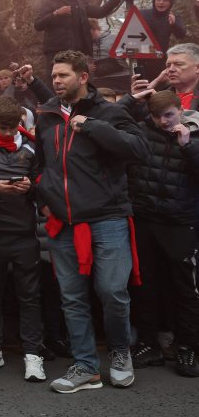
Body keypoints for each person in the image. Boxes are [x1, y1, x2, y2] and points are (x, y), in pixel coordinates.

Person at [35, 50, 148, 394]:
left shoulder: (110, 112)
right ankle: (86, 366)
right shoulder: (47, 116)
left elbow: (139, 149)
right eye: (54, 75)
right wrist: (43, 201)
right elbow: (40, 164)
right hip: (64, 222)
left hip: (107, 218)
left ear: (83, 77)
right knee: (72, 298)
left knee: (113, 292)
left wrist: (93, 126)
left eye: (63, 75)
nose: (56, 81)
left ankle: (120, 352)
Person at [119, 89, 199, 377]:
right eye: (157, 116)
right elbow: (114, 119)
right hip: (145, 219)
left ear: (181, 110)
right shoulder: (140, 132)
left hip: (180, 222)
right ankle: (148, 343)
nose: (164, 121)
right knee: (145, 284)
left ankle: (188, 346)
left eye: (169, 115)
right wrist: (132, 99)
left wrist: (187, 146)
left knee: (184, 287)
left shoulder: (194, 134)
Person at [0, 96, 45, 382]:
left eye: (12, 127)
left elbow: (45, 183)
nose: (7, 133)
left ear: (20, 123)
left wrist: (31, 187)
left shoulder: (32, 146)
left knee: (29, 297)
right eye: (2, 127)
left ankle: (33, 354)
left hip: (25, 234)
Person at [34, 0, 128, 61]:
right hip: (57, 53)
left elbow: (100, 12)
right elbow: (38, 25)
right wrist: (56, 13)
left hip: (79, 54)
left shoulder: (81, 2)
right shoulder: (50, 2)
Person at [139, 0, 186, 78]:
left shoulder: (172, 17)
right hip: (140, 60)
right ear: (154, 0)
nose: (161, 2)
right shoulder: (142, 14)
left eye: (165, 0)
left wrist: (174, 24)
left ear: (170, 2)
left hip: (160, 61)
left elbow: (181, 35)